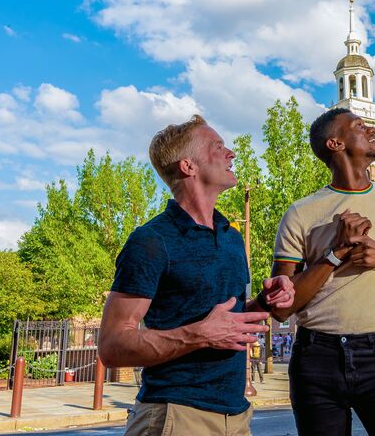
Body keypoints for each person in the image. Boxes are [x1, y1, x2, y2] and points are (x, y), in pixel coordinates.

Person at [98, 115, 296, 436]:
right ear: (189, 166)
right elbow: (111, 346)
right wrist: (200, 335)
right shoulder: (151, 241)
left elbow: (227, 322)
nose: (231, 153)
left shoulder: (230, 237)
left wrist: (265, 302)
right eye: (218, 146)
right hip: (175, 416)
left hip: (237, 416)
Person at [270, 109, 375, 436]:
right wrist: (334, 255)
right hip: (315, 359)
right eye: (360, 126)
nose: (372, 130)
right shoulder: (301, 213)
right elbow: (281, 308)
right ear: (335, 143)